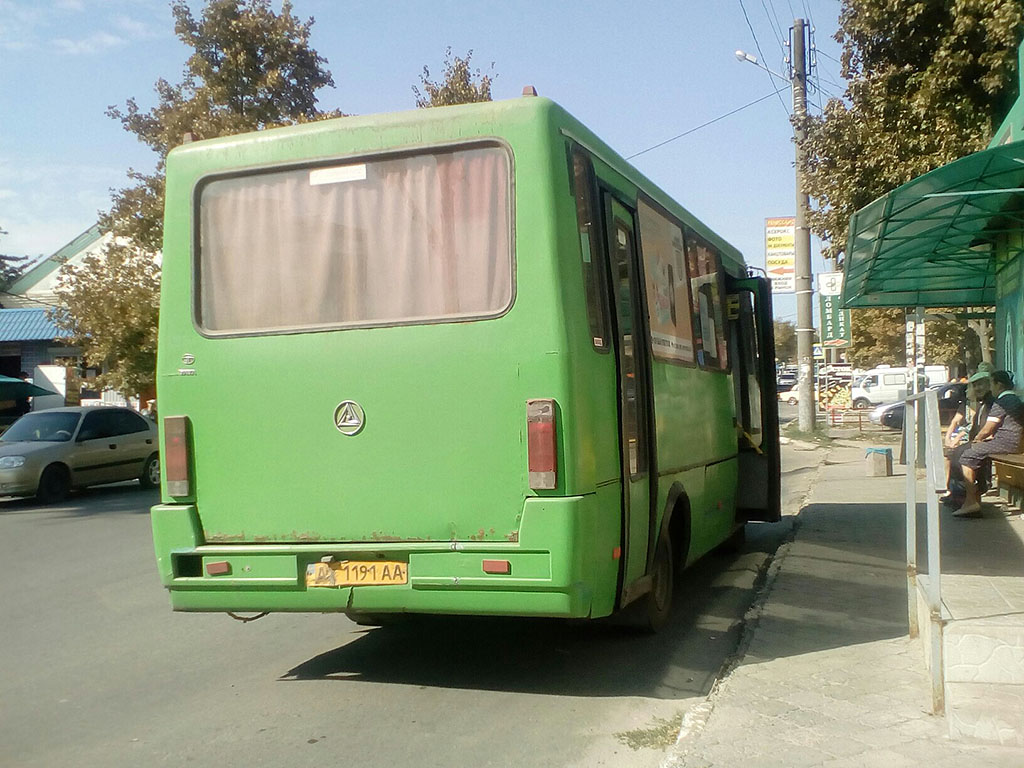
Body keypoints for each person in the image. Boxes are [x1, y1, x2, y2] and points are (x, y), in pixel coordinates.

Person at [955, 370, 1024, 518]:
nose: (990, 388)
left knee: (968, 455)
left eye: (991, 383)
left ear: (999, 384)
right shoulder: (1015, 399)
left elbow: (987, 429)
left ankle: (971, 501)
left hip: (1006, 443)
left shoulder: (1002, 402)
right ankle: (974, 498)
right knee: (976, 453)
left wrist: (977, 439)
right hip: (1013, 442)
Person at [942, 372, 993, 502]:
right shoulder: (973, 404)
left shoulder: (991, 403)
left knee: (961, 454)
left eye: (980, 384)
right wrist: (948, 438)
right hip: (976, 439)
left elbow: (987, 429)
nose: (977, 388)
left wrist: (962, 439)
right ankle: (955, 491)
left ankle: (971, 492)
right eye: (974, 385)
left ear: (990, 385)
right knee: (952, 454)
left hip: (988, 441)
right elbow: (956, 421)